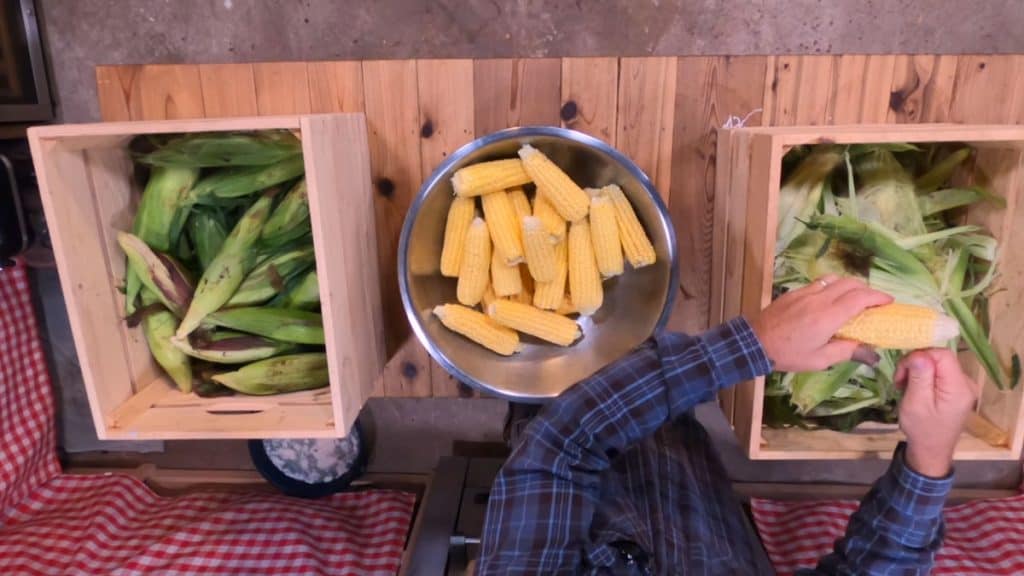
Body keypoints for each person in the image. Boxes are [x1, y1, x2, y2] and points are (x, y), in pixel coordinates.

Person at [477, 275, 978, 575]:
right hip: (682, 400)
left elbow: (561, 448)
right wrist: (928, 458)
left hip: (556, 369)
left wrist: (754, 345)